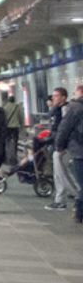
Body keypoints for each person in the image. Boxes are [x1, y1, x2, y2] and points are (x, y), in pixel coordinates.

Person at [55, 85, 83, 225]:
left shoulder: (75, 107)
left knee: (81, 183)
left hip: (79, 151)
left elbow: (64, 128)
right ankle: (78, 211)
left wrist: (59, 146)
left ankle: (79, 212)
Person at [47, 87, 77, 211]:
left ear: (64, 97)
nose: (54, 98)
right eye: (53, 96)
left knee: (64, 174)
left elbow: (65, 129)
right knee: (58, 175)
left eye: (56, 96)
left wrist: (61, 145)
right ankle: (60, 200)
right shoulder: (56, 109)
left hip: (63, 147)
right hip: (57, 145)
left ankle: (77, 195)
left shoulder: (67, 109)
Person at [2, 94, 22, 165]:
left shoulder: (5, 107)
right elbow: (20, 117)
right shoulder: (17, 107)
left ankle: (8, 156)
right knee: (15, 142)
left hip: (7, 127)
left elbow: (3, 118)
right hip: (15, 127)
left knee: (7, 141)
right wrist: (22, 125)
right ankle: (14, 156)